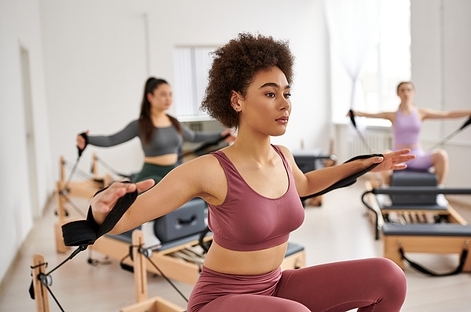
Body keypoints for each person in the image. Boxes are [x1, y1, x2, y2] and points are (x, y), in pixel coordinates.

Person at [89, 33, 414, 312]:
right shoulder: (210, 170)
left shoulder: (282, 157)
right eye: (270, 93)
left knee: (388, 277)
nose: (284, 104)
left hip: (274, 286)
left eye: (287, 93)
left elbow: (306, 184)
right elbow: (134, 214)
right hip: (220, 300)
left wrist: (366, 163)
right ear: (237, 100)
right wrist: (99, 211)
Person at [77, 76, 235, 245]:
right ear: (150, 97)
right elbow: (110, 140)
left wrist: (220, 136)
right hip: (151, 172)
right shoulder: (140, 125)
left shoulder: (174, 122)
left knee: (202, 188)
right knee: (154, 188)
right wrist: (87, 139)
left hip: (174, 170)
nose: (168, 99)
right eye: (163, 94)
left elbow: (195, 136)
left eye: (170, 94)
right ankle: (148, 230)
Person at [350, 81, 471, 187]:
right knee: (384, 155)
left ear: (413, 93)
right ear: (398, 94)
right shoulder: (393, 115)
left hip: (417, 157)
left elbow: (447, 114)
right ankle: (388, 193)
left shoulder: (421, 113)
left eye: (409, 90)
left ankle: (438, 192)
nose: (406, 93)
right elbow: (369, 114)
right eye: (402, 90)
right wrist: (353, 113)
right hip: (397, 156)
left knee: (441, 154)